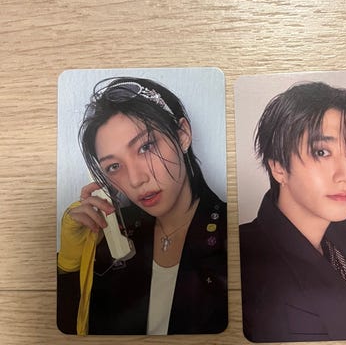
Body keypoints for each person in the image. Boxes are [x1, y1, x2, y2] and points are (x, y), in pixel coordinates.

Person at [239, 81, 346, 342]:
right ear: (279, 168)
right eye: (322, 152)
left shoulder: (344, 224)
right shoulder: (248, 264)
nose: (345, 175)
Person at [57, 77, 228, 335]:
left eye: (146, 147)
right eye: (114, 166)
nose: (136, 180)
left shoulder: (235, 236)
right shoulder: (111, 238)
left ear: (182, 135)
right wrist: (71, 265)